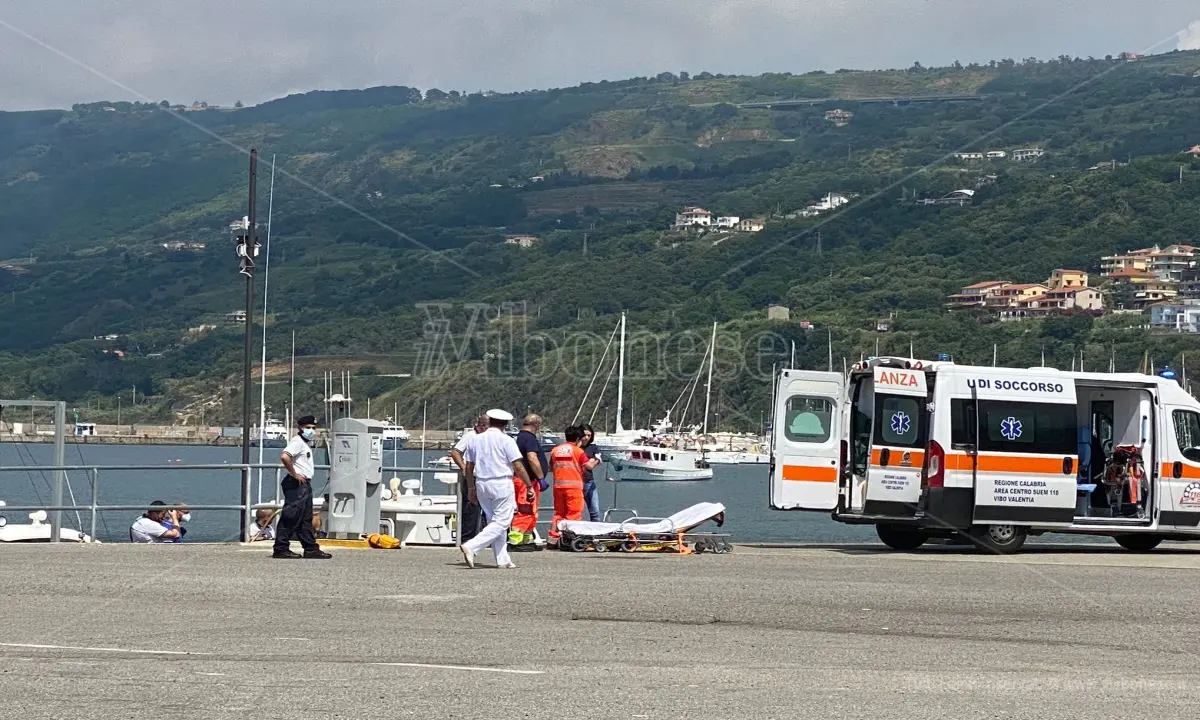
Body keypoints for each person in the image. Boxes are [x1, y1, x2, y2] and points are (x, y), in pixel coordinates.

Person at [460, 409, 533, 569]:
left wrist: (471, 487)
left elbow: (469, 466)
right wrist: (528, 485)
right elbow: (518, 465)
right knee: (502, 521)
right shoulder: (506, 440)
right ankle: (472, 546)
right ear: (506, 424)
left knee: (494, 521)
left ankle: (502, 559)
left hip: (481, 483)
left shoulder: (475, 440)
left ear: (490, 421)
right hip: (501, 482)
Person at [273, 415, 331, 559]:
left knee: (305, 518)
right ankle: (281, 548)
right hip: (297, 484)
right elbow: (285, 456)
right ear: (300, 427)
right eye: (308, 428)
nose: (311, 430)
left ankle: (310, 547)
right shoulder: (297, 442)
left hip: (304, 484)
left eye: (313, 428)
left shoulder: (305, 444)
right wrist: (294, 474)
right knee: (291, 516)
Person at [547, 426, 599, 547]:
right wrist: (596, 460)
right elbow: (589, 467)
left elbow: (550, 468)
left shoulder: (555, 450)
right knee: (574, 513)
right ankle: (570, 538)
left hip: (558, 487)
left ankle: (552, 539)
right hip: (574, 487)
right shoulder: (578, 451)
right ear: (577, 438)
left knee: (559, 514)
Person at [448, 415, 489, 543]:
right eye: (485, 425)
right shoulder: (471, 436)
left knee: (485, 508)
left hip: (485, 477)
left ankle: (483, 537)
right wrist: (465, 469)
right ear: (480, 425)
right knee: (471, 508)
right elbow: (455, 452)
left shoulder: (487, 438)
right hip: (472, 477)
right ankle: (466, 538)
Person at [510, 414, 549, 546]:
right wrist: (540, 478)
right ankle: (515, 540)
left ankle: (527, 538)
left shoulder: (520, 437)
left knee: (531, 511)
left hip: (522, 480)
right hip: (527, 481)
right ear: (536, 425)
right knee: (525, 509)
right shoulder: (529, 438)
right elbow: (532, 458)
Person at [580, 424, 603, 522]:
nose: (586, 438)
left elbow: (597, 460)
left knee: (595, 511)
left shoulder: (593, 447)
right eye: (585, 435)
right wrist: (591, 461)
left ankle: (596, 533)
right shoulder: (575, 448)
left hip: (589, 482)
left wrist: (593, 461)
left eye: (589, 436)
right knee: (575, 511)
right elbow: (589, 464)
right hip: (576, 482)